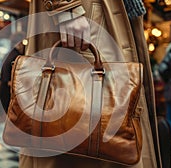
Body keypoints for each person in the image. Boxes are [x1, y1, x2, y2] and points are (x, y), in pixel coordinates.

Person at [13, 0, 162, 168]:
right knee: (79, 135)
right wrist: (67, 9)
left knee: (110, 130)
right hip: (85, 12)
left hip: (109, 15)